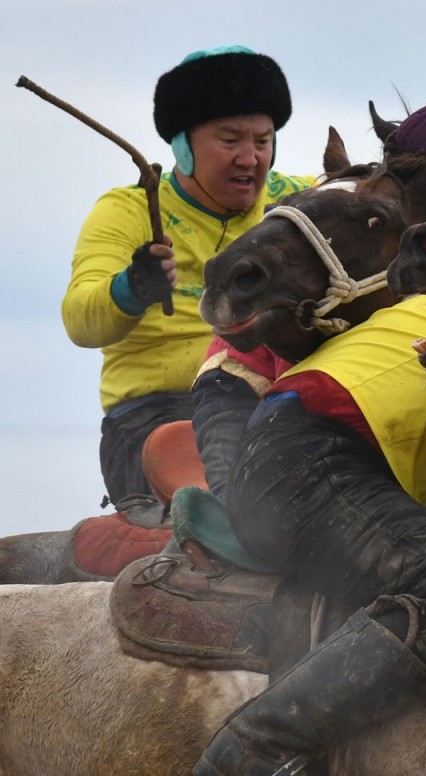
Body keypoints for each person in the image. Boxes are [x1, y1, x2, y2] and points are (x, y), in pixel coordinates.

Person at [192, 99, 426, 776]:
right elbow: (225, 375)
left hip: (340, 453)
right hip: (299, 461)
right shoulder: (381, 226)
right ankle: (255, 743)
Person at [62, 46, 312, 508]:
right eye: (230, 140)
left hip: (272, 406)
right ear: (181, 146)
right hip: (158, 419)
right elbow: (80, 321)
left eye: (262, 141)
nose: (249, 158)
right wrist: (130, 288)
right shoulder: (128, 210)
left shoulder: (297, 203)